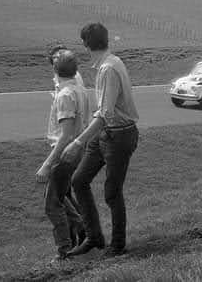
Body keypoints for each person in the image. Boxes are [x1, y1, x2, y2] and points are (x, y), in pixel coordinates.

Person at [62, 23, 140, 258]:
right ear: (106, 40)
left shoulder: (108, 68)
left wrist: (77, 142)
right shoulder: (111, 62)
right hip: (106, 134)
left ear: (85, 45)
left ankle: (117, 246)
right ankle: (94, 237)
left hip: (120, 135)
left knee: (111, 192)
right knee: (79, 180)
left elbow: (105, 114)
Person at [36, 49, 90, 261]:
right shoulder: (78, 88)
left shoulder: (66, 95)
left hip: (65, 154)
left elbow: (66, 134)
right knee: (62, 197)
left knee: (52, 205)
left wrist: (47, 164)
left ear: (54, 69)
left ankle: (65, 251)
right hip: (75, 151)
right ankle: (83, 230)